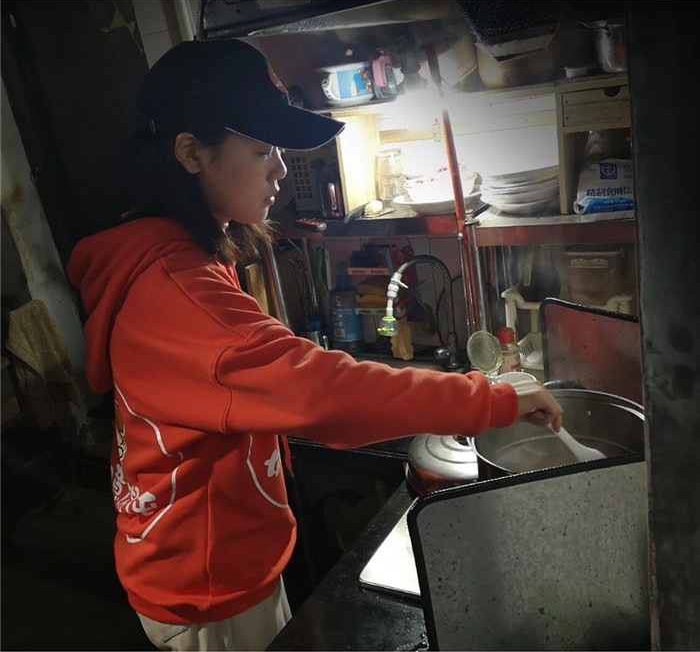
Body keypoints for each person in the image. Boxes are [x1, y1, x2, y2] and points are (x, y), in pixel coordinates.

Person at [66, 38, 563, 652]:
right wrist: (487, 398)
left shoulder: (177, 252)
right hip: (207, 587)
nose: (280, 169)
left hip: (211, 554)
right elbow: (321, 393)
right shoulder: (175, 290)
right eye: (261, 150)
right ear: (191, 153)